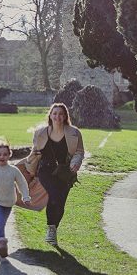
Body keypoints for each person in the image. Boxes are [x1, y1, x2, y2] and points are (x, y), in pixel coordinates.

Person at [30, 102, 84, 246]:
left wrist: (76, 163)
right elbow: (34, 151)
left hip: (65, 173)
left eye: (61, 114)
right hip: (46, 171)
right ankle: (50, 229)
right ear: (50, 115)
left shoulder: (74, 132)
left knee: (60, 203)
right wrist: (30, 163)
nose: (57, 116)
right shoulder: (40, 132)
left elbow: (79, 152)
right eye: (55, 113)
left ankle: (53, 229)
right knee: (54, 197)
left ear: (65, 116)